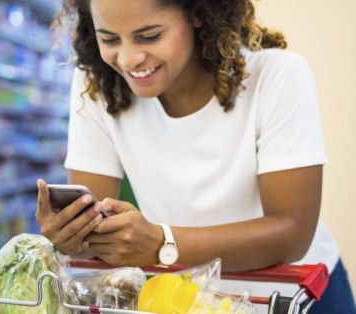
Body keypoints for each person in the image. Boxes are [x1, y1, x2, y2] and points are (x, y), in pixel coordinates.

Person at [34, 0, 356, 312]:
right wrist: (73, 236)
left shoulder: (277, 76)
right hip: (192, 301)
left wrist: (162, 242)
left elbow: (291, 234)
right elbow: (97, 233)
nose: (129, 58)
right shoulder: (97, 86)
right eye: (109, 39)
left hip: (295, 297)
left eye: (149, 36)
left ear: (199, 14)